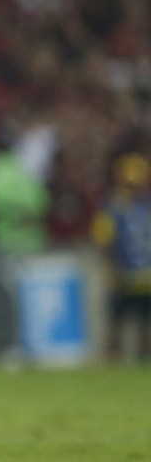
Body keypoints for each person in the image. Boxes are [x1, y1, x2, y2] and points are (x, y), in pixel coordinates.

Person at [92, 153, 151, 361]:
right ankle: (116, 362)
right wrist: (111, 270)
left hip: (137, 276)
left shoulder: (114, 208)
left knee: (137, 326)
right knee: (120, 324)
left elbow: (102, 241)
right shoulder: (129, 208)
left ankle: (132, 362)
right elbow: (104, 243)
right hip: (129, 274)